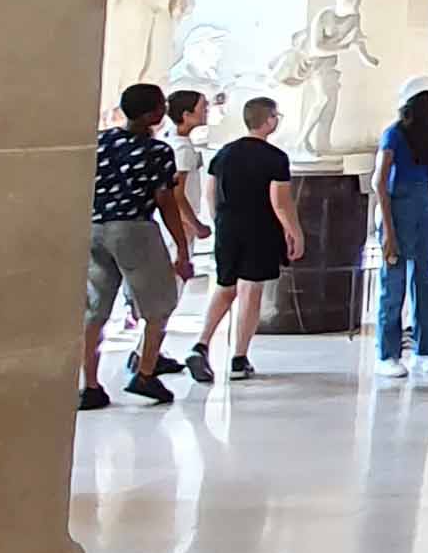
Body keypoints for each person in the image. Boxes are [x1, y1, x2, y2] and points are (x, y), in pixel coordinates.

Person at [82, 82, 196, 409]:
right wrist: (182, 248)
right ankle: (146, 372)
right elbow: (165, 200)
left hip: (95, 227)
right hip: (134, 228)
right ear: (153, 114)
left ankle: (90, 384)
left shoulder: (100, 142)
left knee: (95, 309)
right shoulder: (157, 151)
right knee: (159, 304)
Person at [199, 96, 300, 383]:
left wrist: (219, 221)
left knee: (225, 286)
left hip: (228, 225)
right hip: (260, 228)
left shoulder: (224, 153)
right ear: (268, 120)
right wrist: (294, 232)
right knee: (251, 291)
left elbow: (211, 192)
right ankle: (239, 357)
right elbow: (280, 202)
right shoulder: (275, 158)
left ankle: (202, 342)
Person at [371, 82, 428, 374]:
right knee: (394, 282)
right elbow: (380, 182)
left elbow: (420, 175)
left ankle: (424, 349)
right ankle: (387, 354)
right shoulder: (393, 134)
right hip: (397, 209)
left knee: (424, 280)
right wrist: (388, 232)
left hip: (421, 206)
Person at [160, 87, 216, 378]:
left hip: (177, 226)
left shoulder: (175, 142)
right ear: (186, 114)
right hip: (179, 229)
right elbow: (177, 193)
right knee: (171, 289)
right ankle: (146, 352)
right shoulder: (180, 149)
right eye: (202, 107)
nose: (206, 111)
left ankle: (149, 350)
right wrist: (195, 224)